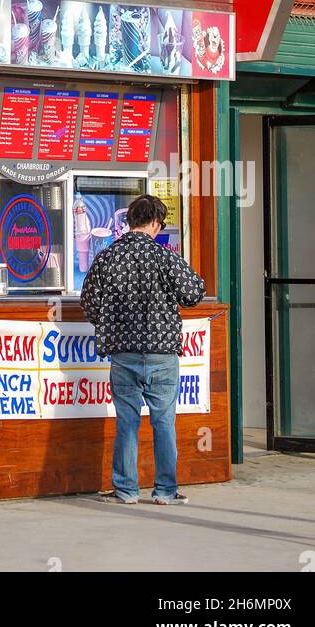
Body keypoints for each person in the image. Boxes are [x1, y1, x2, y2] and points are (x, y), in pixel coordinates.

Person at [80, 193, 205, 506]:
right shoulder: (164, 258)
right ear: (155, 223)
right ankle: (164, 491)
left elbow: (89, 303)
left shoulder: (107, 257)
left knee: (127, 422)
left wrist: (110, 322)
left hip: (123, 353)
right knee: (164, 423)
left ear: (129, 221)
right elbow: (194, 293)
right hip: (162, 353)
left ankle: (126, 490)